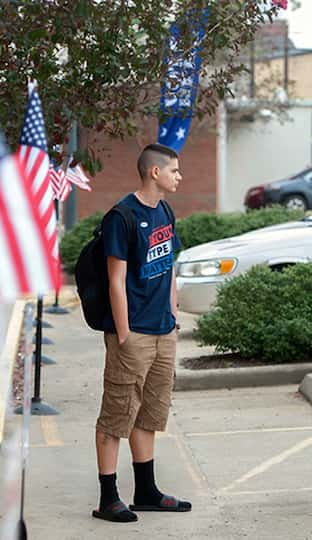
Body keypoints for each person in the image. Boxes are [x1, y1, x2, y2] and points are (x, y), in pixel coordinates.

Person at [92, 143, 191, 523]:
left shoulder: (164, 210)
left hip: (163, 330)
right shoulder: (122, 216)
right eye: (174, 170)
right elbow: (116, 280)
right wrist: (124, 333)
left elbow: (168, 266)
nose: (179, 176)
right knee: (116, 415)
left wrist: (173, 313)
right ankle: (108, 497)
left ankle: (146, 492)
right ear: (155, 172)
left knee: (150, 414)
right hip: (132, 333)